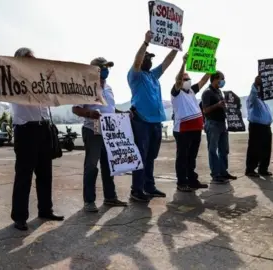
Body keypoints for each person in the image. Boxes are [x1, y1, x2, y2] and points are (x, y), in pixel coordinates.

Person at [0, 48, 64, 231]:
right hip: (25, 131)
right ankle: (20, 217)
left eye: (34, 59)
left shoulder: (42, 79)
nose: (33, 62)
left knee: (45, 174)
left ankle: (46, 209)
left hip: (44, 129)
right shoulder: (12, 78)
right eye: (28, 59)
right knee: (24, 176)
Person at [127, 30, 181, 202]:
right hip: (141, 121)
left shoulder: (153, 75)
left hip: (156, 122)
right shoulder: (135, 76)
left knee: (151, 156)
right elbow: (136, 61)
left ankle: (149, 186)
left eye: (151, 58)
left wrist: (176, 47)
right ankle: (136, 190)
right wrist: (145, 43)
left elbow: (166, 63)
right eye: (147, 58)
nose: (149, 60)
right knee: (141, 156)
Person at [72, 57, 128, 212]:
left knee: (109, 166)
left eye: (107, 68)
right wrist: (90, 113)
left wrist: (123, 114)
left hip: (109, 132)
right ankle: (89, 201)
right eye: (103, 67)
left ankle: (110, 197)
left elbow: (110, 110)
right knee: (91, 166)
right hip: (92, 130)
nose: (106, 70)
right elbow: (76, 109)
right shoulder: (85, 86)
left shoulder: (109, 88)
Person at [171, 53, 211, 192]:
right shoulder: (176, 92)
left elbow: (204, 80)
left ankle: (192, 180)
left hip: (195, 129)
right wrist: (183, 63)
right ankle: (182, 182)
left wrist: (211, 65)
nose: (187, 80)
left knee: (192, 156)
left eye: (188, 78)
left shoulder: (191, 91)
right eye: (185, 79)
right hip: (183, 130)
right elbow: (177, 79)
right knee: (182, 157)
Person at [201, 71, 237, 184]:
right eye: (222, 78)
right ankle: (215, 174)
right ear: (215, 79)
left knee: (224, 149)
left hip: (222, 123)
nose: (223, 81)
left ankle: (223, 171)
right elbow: (205, 110)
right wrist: (218, 105)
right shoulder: (207, 93)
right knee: (213, 150)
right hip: (212, 123)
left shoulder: (219, 92)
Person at [245, 76, 273, 177]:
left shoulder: (263, 101)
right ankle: (250, 169)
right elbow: (253, 94)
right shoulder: (252, 99)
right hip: (256, 127)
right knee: (254, 148)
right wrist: (256, 84)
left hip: (266, 127)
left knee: (266, 148)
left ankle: (263, 168)